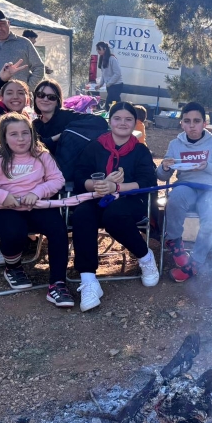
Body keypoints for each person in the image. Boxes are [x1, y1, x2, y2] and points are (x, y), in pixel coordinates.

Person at [0, 113, 73, 306]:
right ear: (3, 137)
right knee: (15, 231)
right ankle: (12, 267)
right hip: (1, 209)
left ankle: (57, 284)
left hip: (35, 205)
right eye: (13, 134)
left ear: (32, 134)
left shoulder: (41, 155)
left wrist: (37, 192)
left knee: (58, 228)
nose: (21, 139)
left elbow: (57, 180)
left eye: (25, 133)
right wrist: (3, 196)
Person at [72, 102, 159, 311]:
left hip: (130, 200)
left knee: (114, 215)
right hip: (96, 197)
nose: (122, 123)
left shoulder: (140, 150)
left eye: (128, 119)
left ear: (135, 123)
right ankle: (89, 280)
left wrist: (117, 186)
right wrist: (99, 185)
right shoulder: (95, 146)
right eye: (117, 118)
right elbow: (79, 176)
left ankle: (145, 257)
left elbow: (148, 181)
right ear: (109, 122)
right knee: (82, 214)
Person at [157, 102, 212, 283]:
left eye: (196, 121)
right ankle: (174, 242)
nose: (192, 125)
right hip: (186, 186)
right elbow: (162, 176)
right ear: (181, 124)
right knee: (175, 197)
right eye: (187, 121)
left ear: (204, 123)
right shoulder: (175, 144)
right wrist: (164, 167)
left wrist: (207, 166)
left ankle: (195, 263)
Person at [0, 10, 45, 87]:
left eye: (2, 24)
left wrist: (28, 88)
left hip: (19, 96)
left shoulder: (24, 43)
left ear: (8, 23)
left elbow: (39, 67)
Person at [32, 79, 95, 154]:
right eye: (40, 95)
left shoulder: (67, 116)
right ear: (35, 98)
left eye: (51, 97)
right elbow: (35, 147)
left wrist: (69, 131)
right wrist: (57, 137)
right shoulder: (35, 125)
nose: (45, 99)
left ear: (58, 101)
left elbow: (98, 121)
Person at [96, 41, 123, 108]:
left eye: (99, 49)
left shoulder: (112, 59)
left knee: (110, 104)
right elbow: (104, 74)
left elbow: (118, 73)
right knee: (113, 104)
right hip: (110, 86)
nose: (98, 51)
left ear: (105, 49)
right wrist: (100, 84)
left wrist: (109, 83)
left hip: (116, 85)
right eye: (97, 49)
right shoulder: (102, 59)